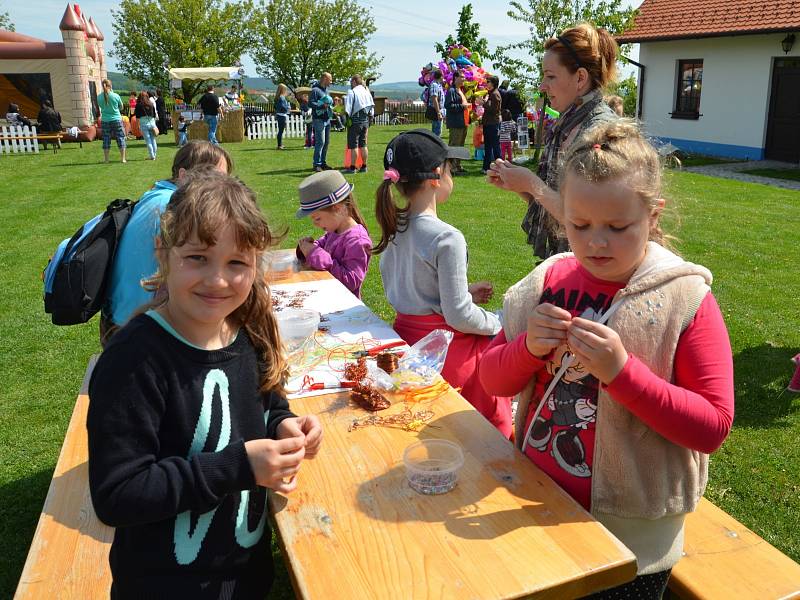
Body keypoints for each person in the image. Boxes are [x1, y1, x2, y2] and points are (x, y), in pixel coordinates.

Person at [479, 120, 734, 599]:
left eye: (617, 228)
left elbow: (713, 425)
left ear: (653, 215)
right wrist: (528, 348)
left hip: (632, 540)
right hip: (534, 503)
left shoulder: (684, 299)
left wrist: (622, 373)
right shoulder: (547, 281)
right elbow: (492, 380)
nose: (596, 242)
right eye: (579, 225)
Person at [88, 171, 323, 599]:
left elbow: (264, 399)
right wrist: (240, 466)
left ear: (256, 265)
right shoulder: (134, 360)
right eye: (197, 257)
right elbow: (117, 494)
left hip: (245, 577)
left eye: (237, 263)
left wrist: (282, 424)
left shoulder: (246, 334)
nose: (217, 280)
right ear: (165, 253)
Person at [374, 129, 511, 437]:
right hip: (449, 357)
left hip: (408, 348)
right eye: (451, 169)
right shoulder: (446, 237)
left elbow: (410, 292)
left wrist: (463, 294)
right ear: (437, 175)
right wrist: (497, 322)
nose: (453, 175)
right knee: (480, 437)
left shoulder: (396, 227)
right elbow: (458, 316)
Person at [488, 23, 621, 259]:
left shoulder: (601, 131)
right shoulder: (569, 123)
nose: (542, 86)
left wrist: (530, 182)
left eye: (550, 76)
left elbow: (587, 219)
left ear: (580, 78)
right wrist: (518, 185)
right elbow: (554, 204)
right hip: (568, 260)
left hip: (595, 263)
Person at [101, 141, 233, 343]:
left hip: (118, 319)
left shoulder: (155, 196)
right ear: (183, 175)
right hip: (138, 330)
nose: (221, 188)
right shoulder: (174, 208)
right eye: (214, 178)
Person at [295, 171, 372, 297]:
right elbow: (321, 245)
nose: (315, 224)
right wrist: (307, 248)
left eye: (317, 218)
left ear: (337, 208)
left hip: (344, 310)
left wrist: (314, 253)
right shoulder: (334, 231)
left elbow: (351, 281)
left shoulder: (357, 240)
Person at [343, 74, 375, 174]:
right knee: (363, 144)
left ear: (354, 82)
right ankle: (364, 166)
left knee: (354, 145)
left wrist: (345, 118)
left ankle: (352, 168)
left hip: (355, 121)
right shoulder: (366, 91)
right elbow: (372, 109)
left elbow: (347, 109)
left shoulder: (352, 92)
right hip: (365, 121)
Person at [444, 70, 469, 175]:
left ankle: (457, 165)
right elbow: (448, 105)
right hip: (456, 123)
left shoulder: (460, 90)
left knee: (460, 145)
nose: (464, 79)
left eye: (464, 77)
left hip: (463, 122)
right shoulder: (452, 91)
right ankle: (450, 167)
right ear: (455, 78)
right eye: (462, 77)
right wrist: (462, 106)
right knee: (454, 145)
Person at [97, 79, 127, 164]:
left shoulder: (99, 97)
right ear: (110, 86)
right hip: (116, 119)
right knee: (120, 138)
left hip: (105, 120)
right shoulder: (116, 96)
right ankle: (123, 159)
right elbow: (121, 107)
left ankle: (106, 159)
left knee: (106, 139)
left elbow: (101, 106)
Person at [310, 72, 334, 172]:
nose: (331, 82)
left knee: (326, 142)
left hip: (327, 119)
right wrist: (321, 106)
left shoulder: (326, 91)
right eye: (330, 79)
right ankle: (316, 164)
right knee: (320, 142)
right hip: (318, 119)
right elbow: (311, 103)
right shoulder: (315, 90)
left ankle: (323, 163)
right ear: (324, 79)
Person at [480, 75, 502, 175]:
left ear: (493, 83)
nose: (486, 83)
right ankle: (486, 167)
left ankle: (500, 168)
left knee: (495, 147)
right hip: (488, 123)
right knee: (488, 147)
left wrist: (483, 103)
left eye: (488, 81)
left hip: (492, 124)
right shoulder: (491, 93)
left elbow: (494, 110)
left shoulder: (495, 94)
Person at [135, 90, 158, 160]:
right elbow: (154, 115)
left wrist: (137, 126)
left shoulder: (138, 105)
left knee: (148, 141)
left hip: (144, 124)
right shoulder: (151, 104)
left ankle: (152, 156)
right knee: (153, 139)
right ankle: (154, 154)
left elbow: (138, 117)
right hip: (152, 123)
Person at [427, 69, 445, 137]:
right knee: (436, 134)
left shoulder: (439, 85)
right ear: (441, 76)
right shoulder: (434, 85)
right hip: (436, 112)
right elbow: (434, 99)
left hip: (439, 112)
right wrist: (438, 113)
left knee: (438, 131)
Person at [274, 84, 290, 150]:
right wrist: (287, 107)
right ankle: (279, 145)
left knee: (280, 131)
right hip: (282, 115)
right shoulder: (281, 97)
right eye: (285, 89)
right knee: (281, 131)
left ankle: (280, 144)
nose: (286, 91)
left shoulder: (278, 97)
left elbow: (275, 106)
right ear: (282, 90)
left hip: (279, 115)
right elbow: (283, 107)